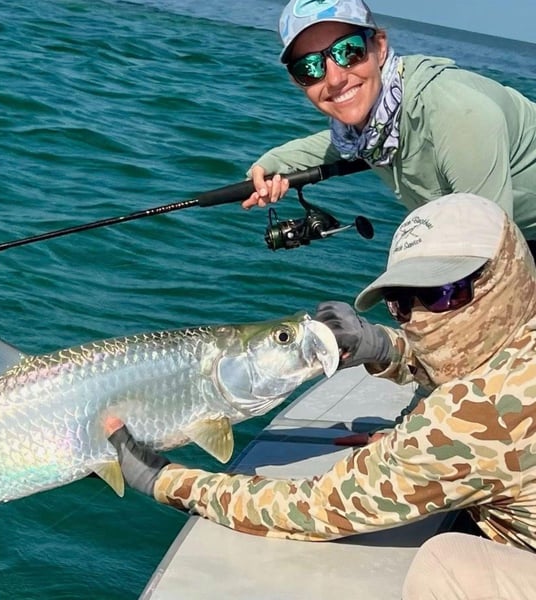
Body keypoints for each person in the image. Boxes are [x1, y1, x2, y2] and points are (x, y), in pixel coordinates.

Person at [103, 193, 536, 597]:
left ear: (504, 276)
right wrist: (383, 346)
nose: (418, 318)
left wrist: (163, 479)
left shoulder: (468, 420)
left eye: (444, 292)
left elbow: (308, 509)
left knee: (447, 566)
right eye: (401, 302)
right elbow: (480, 357)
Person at [242, 0, 536, 249]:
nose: (334, 79)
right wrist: (271, 165)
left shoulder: (456, 113)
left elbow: (489, 245)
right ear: (296, 81)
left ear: (379, 47)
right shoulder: (375, 127)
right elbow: (337, 143)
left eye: (348, 51)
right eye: (309, 68)